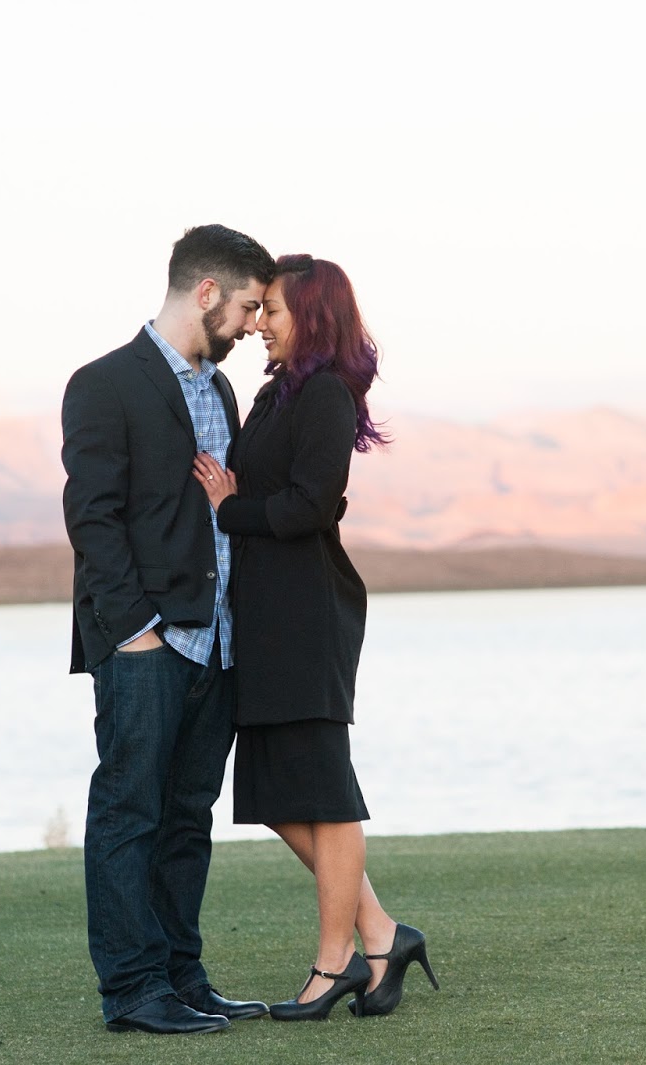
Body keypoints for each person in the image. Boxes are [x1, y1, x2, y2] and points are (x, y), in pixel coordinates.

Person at [193, 254, 439, 1021]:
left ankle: (336, 962)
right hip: (266, 615)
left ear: (312, 314)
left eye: (272, 310)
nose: (260, 323)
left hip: (307, 616)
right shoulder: (280, 392)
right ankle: (383, 932)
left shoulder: (327, 392)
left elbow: (309, 505)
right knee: (275, 790)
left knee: (326, 795)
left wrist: (231, 509)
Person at [61, 224, 275, 1035]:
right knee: (129, 813)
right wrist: (135, 632)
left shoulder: (221, 392)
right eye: (249, 307)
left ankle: (183, 977)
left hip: (217, 643)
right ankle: (133, 989)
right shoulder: (104, 383)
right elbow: (93, 517)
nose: (255, 324)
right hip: (145, 645)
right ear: (207, 292)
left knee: (188, 817)